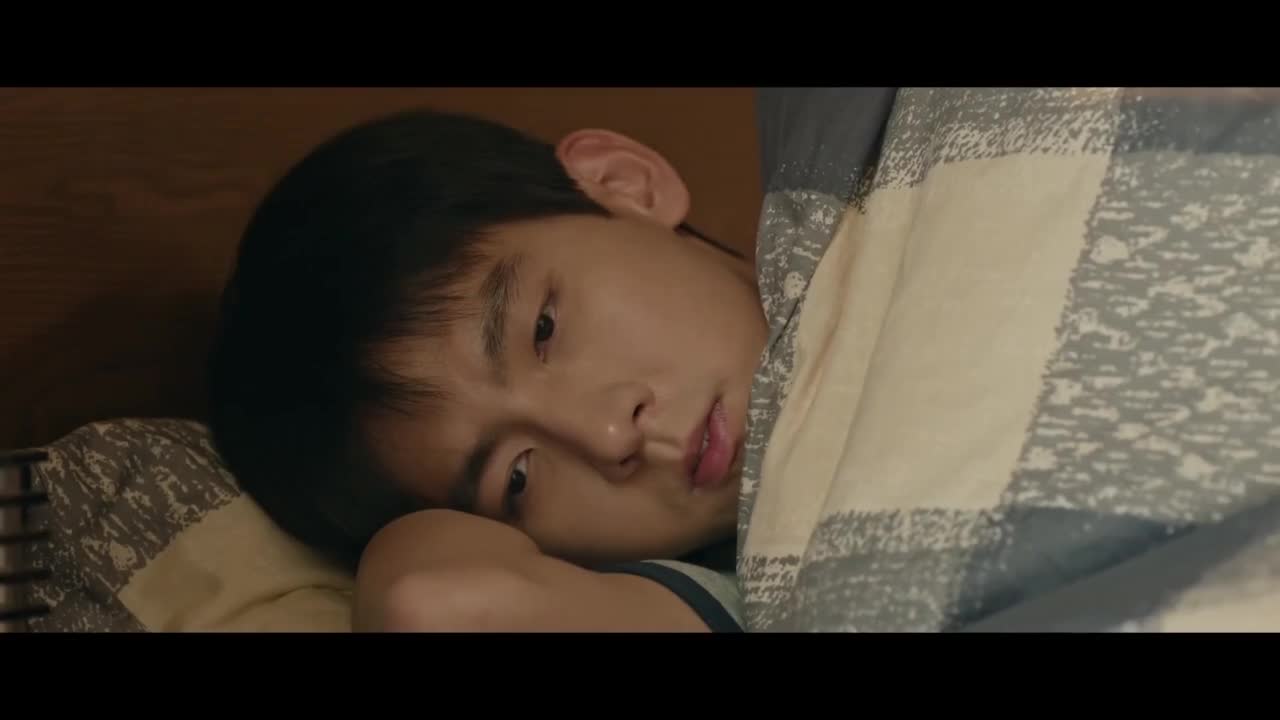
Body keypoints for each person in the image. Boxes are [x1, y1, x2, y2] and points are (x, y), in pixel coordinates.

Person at [206, 107, 767, 631]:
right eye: (516, 479)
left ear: (622, 184)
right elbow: (435, 605)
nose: (610, 435)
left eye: (544, 330)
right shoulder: (736, 587)